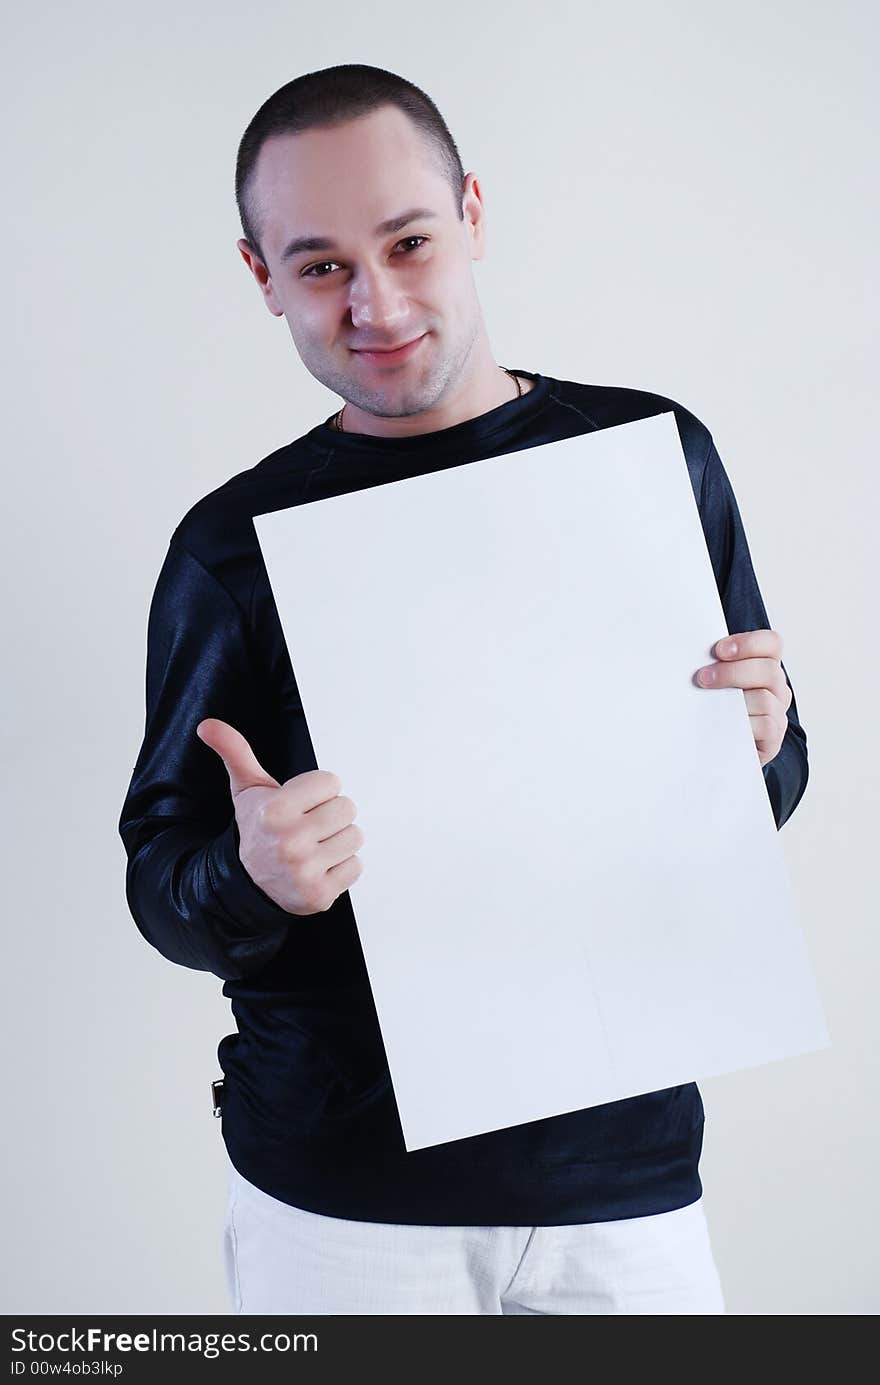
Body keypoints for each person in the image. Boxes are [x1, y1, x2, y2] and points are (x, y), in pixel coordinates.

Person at [118, 63, 808, 1316]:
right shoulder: (230, 544)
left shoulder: (647, 459)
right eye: (319, 263)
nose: (374, 302)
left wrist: (761, 741)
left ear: (473, 216)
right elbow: (162, 886)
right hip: (345, 1207)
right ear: (259, 276)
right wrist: (251, 875)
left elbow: (764, 791)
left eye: (409, 241)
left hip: (625, 1178)